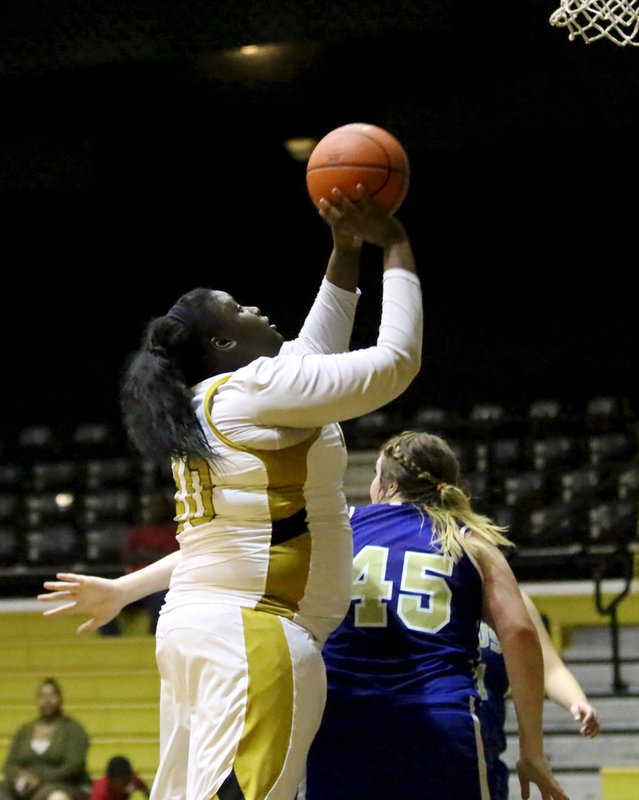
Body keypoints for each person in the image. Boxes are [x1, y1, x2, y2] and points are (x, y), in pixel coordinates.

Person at [37, 186, 423, 800]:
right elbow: (397, 361)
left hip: (198, 626)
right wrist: (396, 244)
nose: (257, 309)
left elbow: (314, 349)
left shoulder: (206, 404)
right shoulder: (253, 392)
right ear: (221, 345)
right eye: (239, 308)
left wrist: (346, 252)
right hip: (253, 633)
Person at [302, 430, 568, 800]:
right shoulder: (471, 541)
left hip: (344, 720)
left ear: (390, 485)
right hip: (440, 722)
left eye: (378, 476)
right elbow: (521, 633)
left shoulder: (341, 528)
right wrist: (532, 750)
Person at [478, 591, 600, 800]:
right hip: (422, 748)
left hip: (485, 757)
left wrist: (577, 701)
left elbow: (548, 668)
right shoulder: (409, 584)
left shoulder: (509, 596)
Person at [99, 493, 179, 636]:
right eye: (151, 507)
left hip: (162, 585)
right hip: (137, 582)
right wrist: (156, 555)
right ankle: (110, 641)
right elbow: (127, 557)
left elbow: (176, 557)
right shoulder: (139, 531)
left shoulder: (175, 531)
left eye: (158, 506)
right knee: (106, 598)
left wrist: (146, 554)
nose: (153, 510)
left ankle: (154, 640)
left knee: (162, 600)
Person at [0, 679, 91, 800]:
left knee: (57, 797)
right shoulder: (24, 730)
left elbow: (73, 766)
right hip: (25, 787)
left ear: (60, 700)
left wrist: (39, 779)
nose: (47, 700)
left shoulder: (73, 729)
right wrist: (19, 778)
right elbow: (9, 764)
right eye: (42, 696)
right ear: (37, 700)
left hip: (64, 785)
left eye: (51, 696)